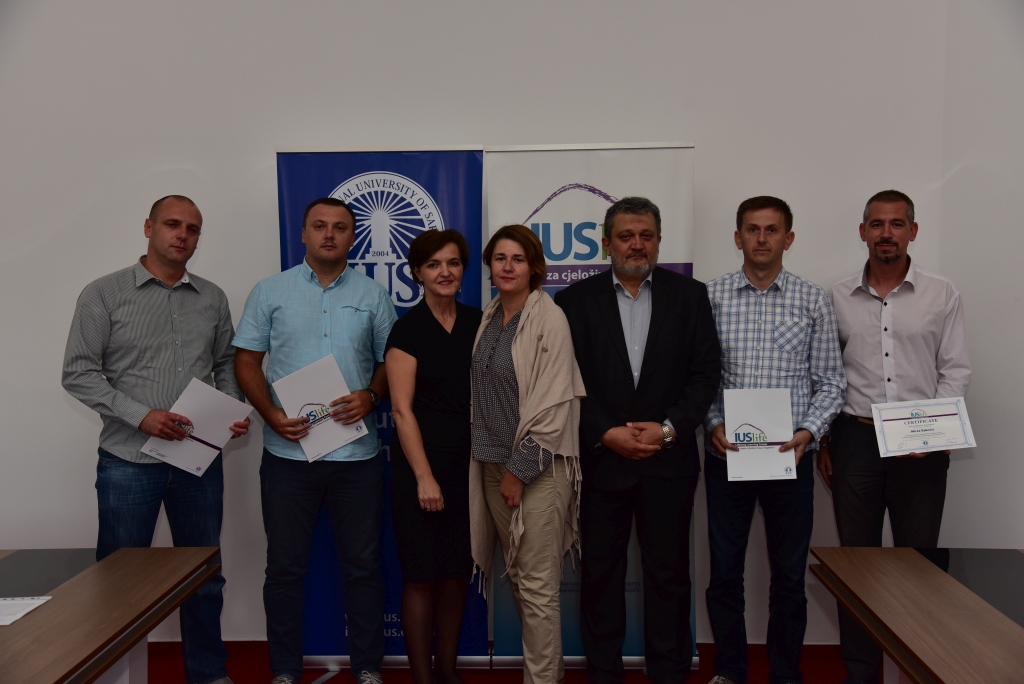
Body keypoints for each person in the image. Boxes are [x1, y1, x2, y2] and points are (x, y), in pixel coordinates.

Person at [62, 195, 248, 684]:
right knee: (118, 584)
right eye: (172, 224)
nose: (182, 234)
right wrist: (141, 417)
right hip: (127, 461)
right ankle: (112, 677)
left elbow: (225, 363)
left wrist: (230, 408)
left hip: (197, 462)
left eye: (192, 228)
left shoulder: (212, 297)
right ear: (149, 227)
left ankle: (208, 675)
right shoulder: (103, 294)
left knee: (203, 577)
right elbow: (78, 373)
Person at [555, 196, 721, 684]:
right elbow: (564, 380)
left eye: (646, 236)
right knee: (600, 576)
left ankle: (668, 674)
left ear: (659, 241)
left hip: (668, 463)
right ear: (606, 242)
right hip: (601, 461)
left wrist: (668, 428)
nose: (636, 244)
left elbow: (705, 374)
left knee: (669, 576)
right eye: (626, 236)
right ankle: (604, 674)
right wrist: (604, 432)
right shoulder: (573, 301)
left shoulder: (690, 296)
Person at [232, 197, 397, 684]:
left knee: (363, 567)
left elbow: (391, 362)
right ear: (303, 233)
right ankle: (284, 670)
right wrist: (271, 414)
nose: (329, 234)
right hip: (288, 457)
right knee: (284, 568)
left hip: (357, 459)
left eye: (340, 227)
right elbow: (246, 360)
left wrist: (371, 395)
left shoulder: (373, 295)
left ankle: (367, 668)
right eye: (319, 226)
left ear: (353, 237)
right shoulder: (270, 291)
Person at [820, 190, 970, 684]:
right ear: (863, 232)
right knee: (857, 566)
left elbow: (955, 369)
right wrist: (826, 442)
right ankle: (861, 672)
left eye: (897, 224)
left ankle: (915, 669)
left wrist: (938, 430)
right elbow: (825, 374)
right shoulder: (836, 296)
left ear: (913, 231)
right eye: (877, 224)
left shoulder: (941, 293)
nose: (887, 233)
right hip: (855, 439)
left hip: (921, 442)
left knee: (919, 566)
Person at [702, 196, 846, 684]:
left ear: (789, 238)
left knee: (788, 578)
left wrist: (809, 432)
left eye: (771, 229)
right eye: (752, 229)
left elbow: (831, 382)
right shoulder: (711, 297)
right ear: (737, 237)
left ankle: (786, 674)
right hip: (727, 457)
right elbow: (699, 376)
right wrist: (712, 422)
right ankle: (730, 671)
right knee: (724, 574)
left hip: (792, 458)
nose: (761, 238)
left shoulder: (813, 300)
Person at [469, 224, 586, 684]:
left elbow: (556, 407)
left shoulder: (549, 319)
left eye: (517, 259)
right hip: (491, 465)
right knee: (520, 579)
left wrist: (518, 473)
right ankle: (548, 674)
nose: (507, 267)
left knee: (537, 587)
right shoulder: (490, 315)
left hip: (538, 469)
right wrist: (500, 471)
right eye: (500, 258)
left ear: (534, 266)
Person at [385, 229, 482, 684]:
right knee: (422, 576)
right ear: (417, 273)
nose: (445, 272)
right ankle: (423, 679)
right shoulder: (407, 330)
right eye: (434, 265)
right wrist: (424, 477)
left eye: (453, 263)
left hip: (469, 468)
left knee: (456, 574)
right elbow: (401, 411)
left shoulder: (480, 323)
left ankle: (448, 673)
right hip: (419, 469)